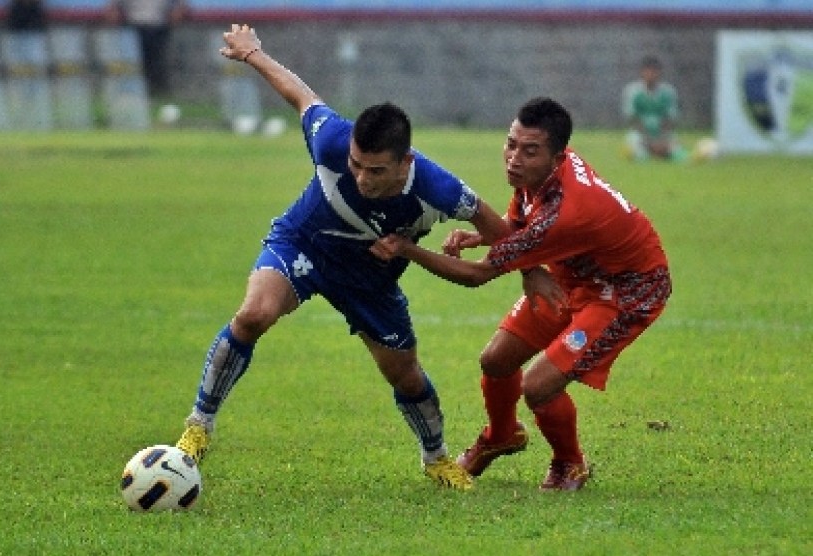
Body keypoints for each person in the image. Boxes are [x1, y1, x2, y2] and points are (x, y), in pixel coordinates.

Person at [174, 24, 513, 491]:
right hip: (305, 243)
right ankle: (198, 427)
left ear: (405, 164)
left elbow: (505, 236)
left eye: (375, 171)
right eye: (355, 165)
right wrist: (253, 53)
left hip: (370, 278)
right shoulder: (333, 139)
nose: (361, 177)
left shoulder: (441, 190)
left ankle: (435, 458)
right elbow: (301, 95)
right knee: (254, 314)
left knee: (404, 374)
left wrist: (529, 271)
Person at [370, 97, 672, 491]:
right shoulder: (540, 177)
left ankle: (570, 463)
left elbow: (477, 276)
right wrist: (483, 237)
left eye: (530, 151)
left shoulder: (565, 212)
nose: (514, 158)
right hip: (571, 276)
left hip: (626, 293)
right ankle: (502, 434)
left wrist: (408, 248)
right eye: (511, 144)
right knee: (496, 360)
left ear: (556, 156)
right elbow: (519, 223)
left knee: (538, 386)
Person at [105, 0, 188, 97]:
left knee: (156, 62)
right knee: (132, 62)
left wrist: (178, 11)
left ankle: (157, 93)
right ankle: (130, 93)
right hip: (133, 24)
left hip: (158, 25)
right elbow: (113, 7)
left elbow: (181, 5)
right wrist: (113, 13)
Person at [621, 55, 686, 162]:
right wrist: (649, 141)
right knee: (638, 153)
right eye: (648, 71)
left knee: (678, 153)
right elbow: (633, 119)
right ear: (642, 72)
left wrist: (660, 139)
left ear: (660, 73)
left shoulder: (668, 92)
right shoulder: (633, 91)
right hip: (641, 135)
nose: (651, 75)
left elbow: (670, 118)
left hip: (662, 134)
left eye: (654, 71)